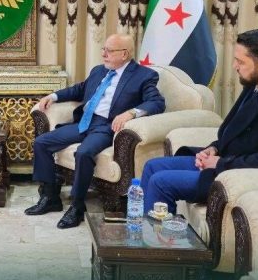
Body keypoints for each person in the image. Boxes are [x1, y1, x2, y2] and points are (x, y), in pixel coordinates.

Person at [140, 28, 258, 213]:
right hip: (231, 162)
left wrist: (219, 164)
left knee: (160, 182)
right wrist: (214, 148)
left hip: (252, 176)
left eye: (240, 62)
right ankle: (141, 229)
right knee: (152, 166)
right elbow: (233, 130)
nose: (235, 66)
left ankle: (156, 233)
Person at [27, 33, 165, 229]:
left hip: (106, 127)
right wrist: (53, 96)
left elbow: (157, 102)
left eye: (109, 50)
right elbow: (79, 89)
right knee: (41, 142)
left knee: (83, 153)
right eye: (103, 49)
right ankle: (50, 197)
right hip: (85, 122)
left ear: (124, 54)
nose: (103, 54)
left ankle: (77, 206)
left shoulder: (143, 75)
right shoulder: (99, 71)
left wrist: (131, 113)